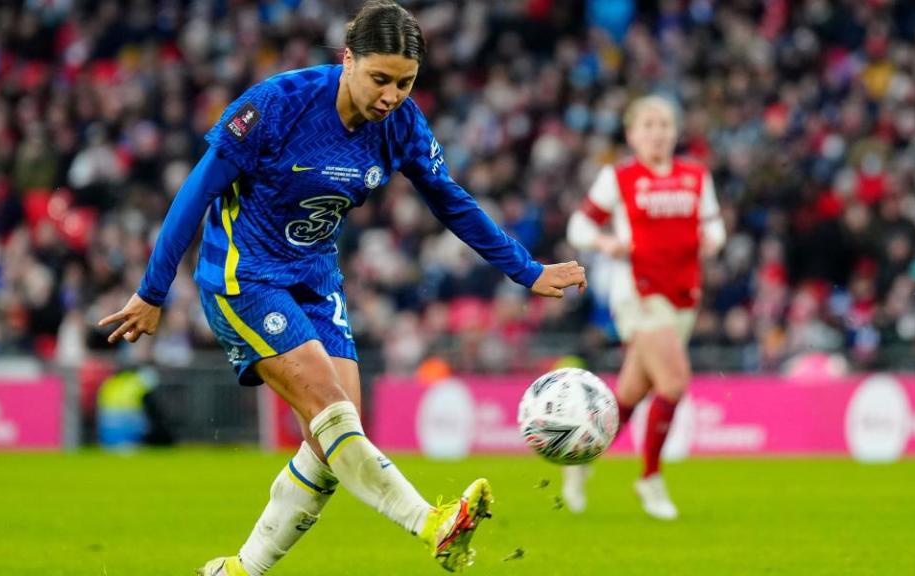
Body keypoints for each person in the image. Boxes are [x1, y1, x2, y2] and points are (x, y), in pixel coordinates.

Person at [98, 1, 586, 573]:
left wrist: (527, 270)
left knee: (334, 439)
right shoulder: (277, 105)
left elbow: (451, 201)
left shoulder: (402, 124)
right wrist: (153, 291)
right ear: (348, 58)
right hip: (244, 276)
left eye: (405, 83)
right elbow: (197, 190)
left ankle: (239, 570)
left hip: (316, 276)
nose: (391, 96)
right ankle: (433, 523)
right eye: (380, 78)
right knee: (331, 411)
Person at [563, 95, 725, 520]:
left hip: (684, 293)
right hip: (637, 291)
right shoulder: (619, 177)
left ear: (675, 132)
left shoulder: (695, 176)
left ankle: (581, 459)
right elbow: (579, 224)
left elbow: (713, 224)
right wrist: (605, 242)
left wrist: (715, 239)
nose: (658, 132)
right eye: (648, 125)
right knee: (673, 383)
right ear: (633, 134)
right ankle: (649, 478)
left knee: (632, 394)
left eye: (665, 124)